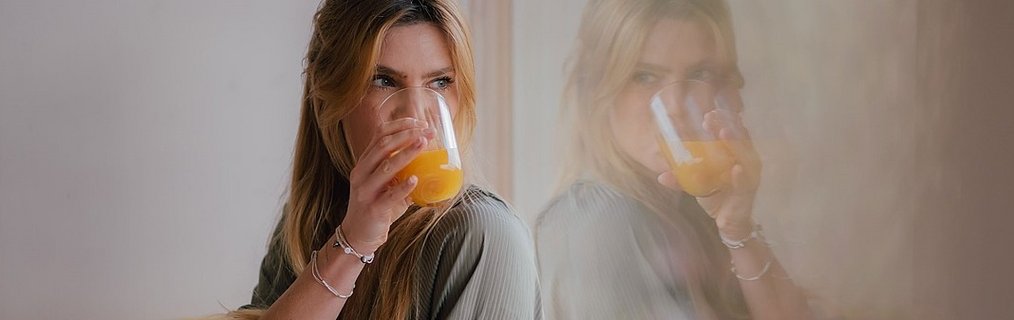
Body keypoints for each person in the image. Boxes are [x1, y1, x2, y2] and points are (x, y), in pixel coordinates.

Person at [230, 0, 541, 319]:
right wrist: (351, 246)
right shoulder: (309, 222)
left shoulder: (482, 237)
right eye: (383, 81)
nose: (417, 115)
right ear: (329, 96)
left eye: (440, 82)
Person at [535, 0, 813, 319]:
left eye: (700, 74)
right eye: (644, 76)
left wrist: (738, 229)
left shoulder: (690, 209)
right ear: (598, 90)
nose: (677, 105)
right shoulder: (600, 224)